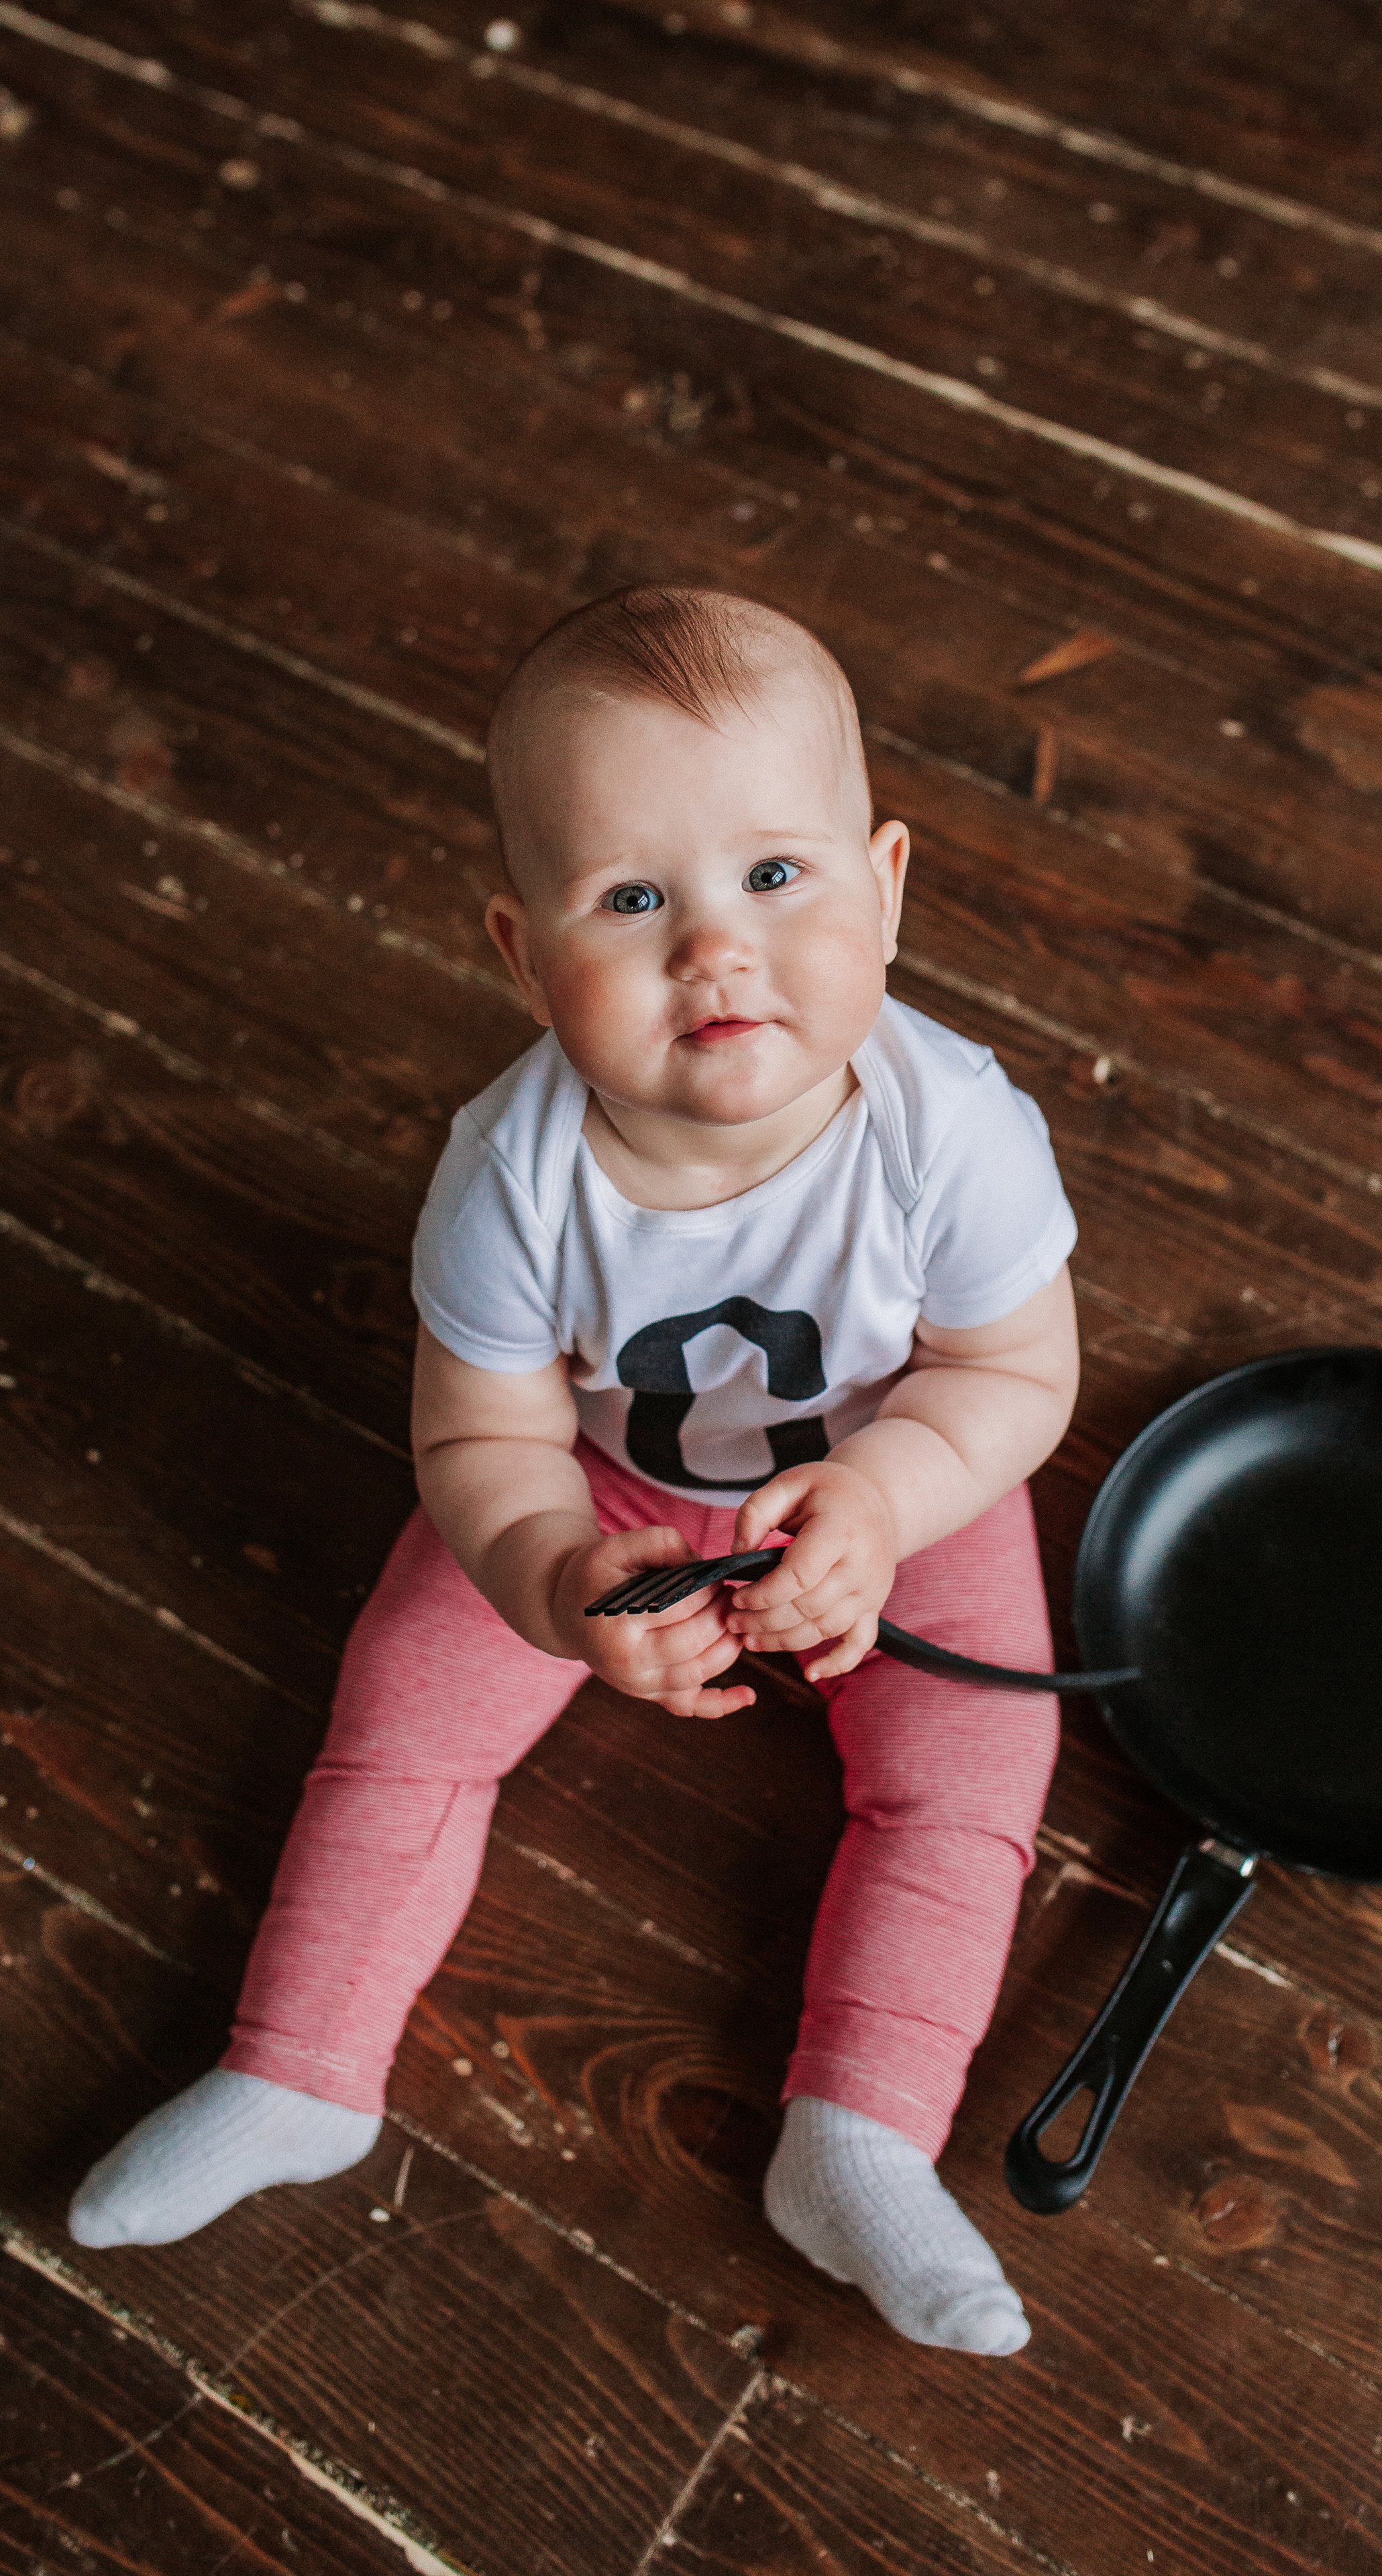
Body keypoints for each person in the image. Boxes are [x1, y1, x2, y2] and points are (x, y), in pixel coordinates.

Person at [68, 586, 1079, 2355]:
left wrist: (896, 1497)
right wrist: (547, 1571)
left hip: (891, 1465)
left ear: (891, 884)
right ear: (521, 957)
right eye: (633, 901)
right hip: (605, 1488)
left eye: (780, 877)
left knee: (978, 1759)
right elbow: (482, 1433)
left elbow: (1014, 1372)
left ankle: (860, 2133)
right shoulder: (511, 1175)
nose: (718, 950)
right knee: (401, 1716)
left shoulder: (956, 1132)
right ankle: (298, 2066)